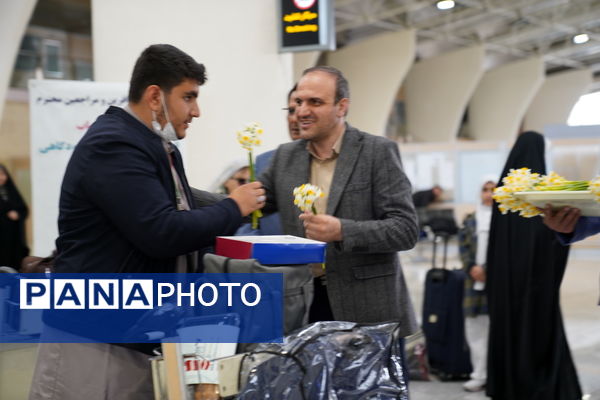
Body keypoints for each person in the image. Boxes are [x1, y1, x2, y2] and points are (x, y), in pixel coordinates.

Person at [29, 44, 265, 400]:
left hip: (131, 333)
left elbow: (180, 205)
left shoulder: (153, 145)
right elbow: (162, 232)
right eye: (189, 97)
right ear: (155, 96)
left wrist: (258, 203)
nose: (196, 111)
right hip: (95, 339)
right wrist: (233, 207)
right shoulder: (115, 145)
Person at [259, 66, 419, 337]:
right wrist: (180, 193)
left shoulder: (376, 152)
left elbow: (405, 230)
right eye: (299, 102)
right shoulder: (285, 157)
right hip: (304, 304)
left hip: (366, 310)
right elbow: (250, 204)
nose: (302, 111)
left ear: (341, 106)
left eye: (315, 102)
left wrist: (343, 231)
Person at [485, 131, 582, 400]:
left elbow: (494, 244)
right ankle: (540, 383)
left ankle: (508, 386)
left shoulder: (503, 195)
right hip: (538, 283)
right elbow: (559, 238)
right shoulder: (546, 194)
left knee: (507, 330)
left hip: (504, 282)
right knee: (539, 329)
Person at [458, 180, 495, 392]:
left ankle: (496, 374)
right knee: (475, 328)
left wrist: (488, 269)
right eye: (485, 190)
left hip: (497, 280)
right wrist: (472, 267)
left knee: (496, 328)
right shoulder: (471, 220)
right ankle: (478, 375)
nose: (489, 194)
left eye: (493, 190)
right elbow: (463, 246)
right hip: (473, 281)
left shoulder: (505, 221)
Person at [0, 164, 29, 269]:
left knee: (14, 262)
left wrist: (18, 214)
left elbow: (23, 209)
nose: (1, 177)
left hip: (14, 236)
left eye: (3, 174)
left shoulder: (12, 191)